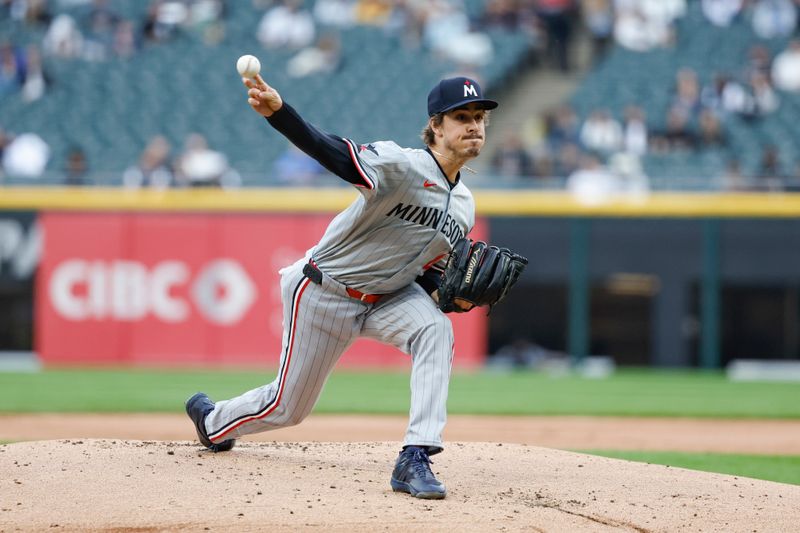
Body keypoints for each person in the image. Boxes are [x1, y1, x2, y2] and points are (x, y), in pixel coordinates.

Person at [185, 74, 499, 500]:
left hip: (387, 298)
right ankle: (213, 422)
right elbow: (333, 154)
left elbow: (427, 274)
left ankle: (415, 457)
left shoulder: (464, 206)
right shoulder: (402, 165)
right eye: (462, 116)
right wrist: (280, 113)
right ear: (436, 126)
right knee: (287, 408)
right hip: (324, 291)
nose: (474, 126)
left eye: (479, 117)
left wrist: (450, 293)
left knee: (435, 329)